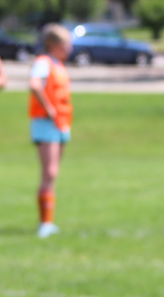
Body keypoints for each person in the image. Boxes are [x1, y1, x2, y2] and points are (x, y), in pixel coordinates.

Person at [29, 23, 73, 239]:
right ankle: (44, 224)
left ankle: (48, 220)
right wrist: (48, 108)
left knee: (52, 175)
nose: (69, 48)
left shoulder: (59, 65)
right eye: (66, 44)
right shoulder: (43, 62)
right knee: (49, 172)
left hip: (60, 122)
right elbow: (35, 84)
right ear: (53, 44)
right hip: (46, 123)